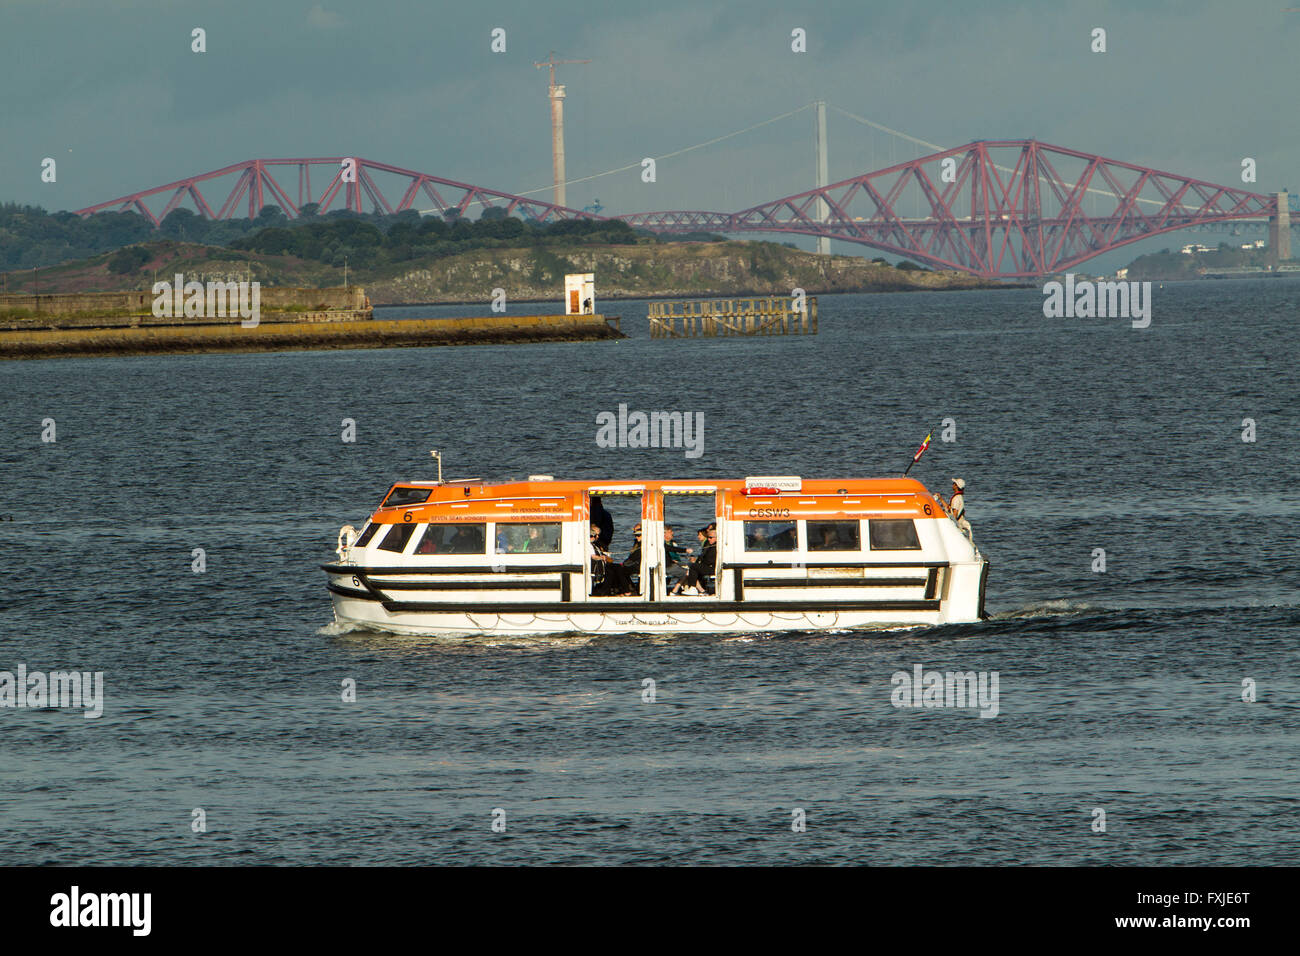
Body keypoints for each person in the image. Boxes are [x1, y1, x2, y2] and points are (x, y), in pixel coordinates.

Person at [589, 523, 635, 596]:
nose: (596, 537)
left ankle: (626, 590)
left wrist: (604, 557)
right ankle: (607, 592)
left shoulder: (597, 544)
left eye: (597, 535)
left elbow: (607, 557)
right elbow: (593, 556)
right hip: (596, 565)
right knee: (611, 571)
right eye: (593, 536)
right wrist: (601, 557)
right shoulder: (589, 545)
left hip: (603, 563)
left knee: (618, 568)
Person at [671, 524, 716, 595]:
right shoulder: (710, 545)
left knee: (693, 566)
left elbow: (709, 559)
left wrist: (698, 562)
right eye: (708, 537)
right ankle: (698, 589)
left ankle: (693, 588)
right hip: (709, 565)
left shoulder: (714, 546)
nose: (709, 539)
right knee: (693, 567)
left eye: (711, 538)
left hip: (713, 567)